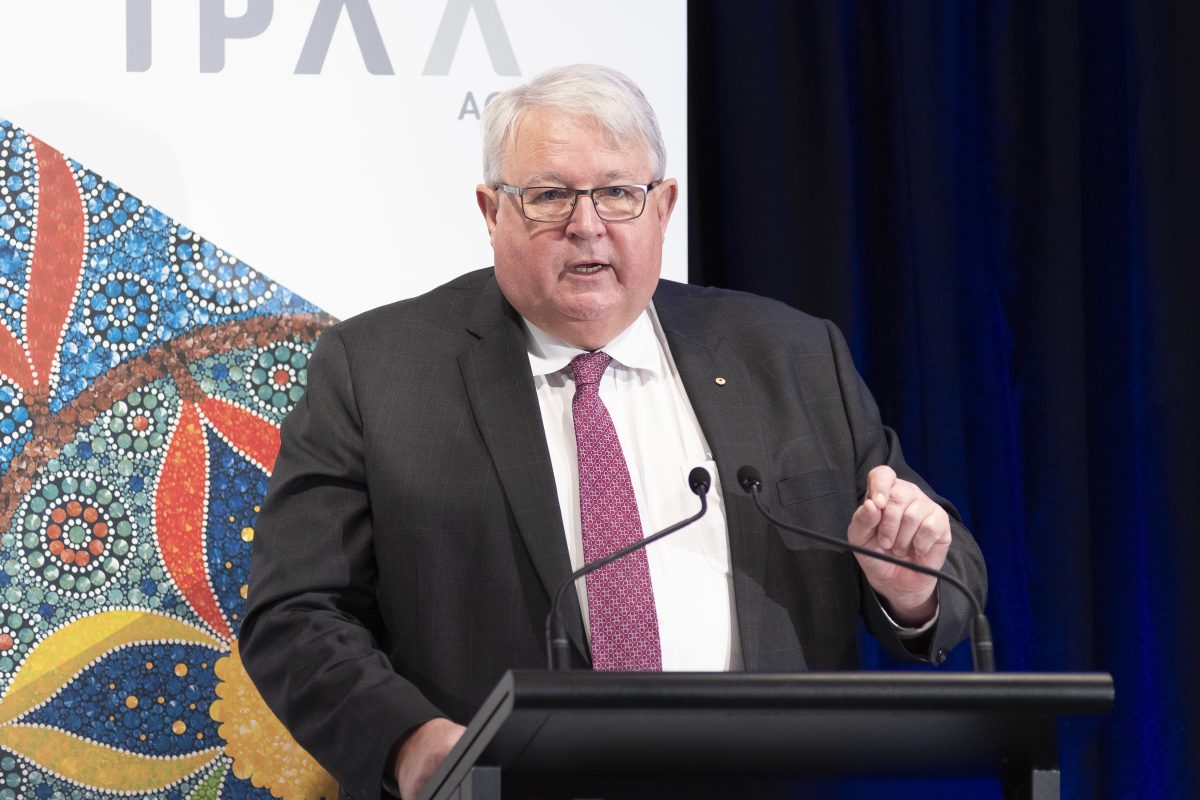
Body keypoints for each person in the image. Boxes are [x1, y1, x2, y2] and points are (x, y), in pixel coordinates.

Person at [239, 64, 987, 800]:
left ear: (662, 208)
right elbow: (295, 612)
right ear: (491, 211)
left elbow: (945, 569)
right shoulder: (379, 372)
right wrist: (408, 741)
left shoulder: (790, 355)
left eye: (618, 194)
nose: (587, 226)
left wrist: (910, 587)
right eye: (550, 196)